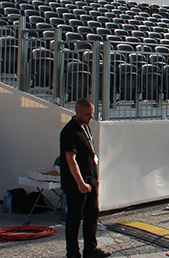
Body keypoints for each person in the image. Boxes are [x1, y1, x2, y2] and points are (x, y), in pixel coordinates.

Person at [60, 98, 111, 258]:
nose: (91, 117)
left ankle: (91, 249)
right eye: (88, 114)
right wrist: (80, 182)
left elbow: (90, 155)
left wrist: (94, 178)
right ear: (78, 112)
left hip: (90, 180)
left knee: (92, 216)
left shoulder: (86, 127)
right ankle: (73, 252)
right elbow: (71, 159)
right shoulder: (70, 131)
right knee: (75, 218)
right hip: (76, 183)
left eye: (92, 114)